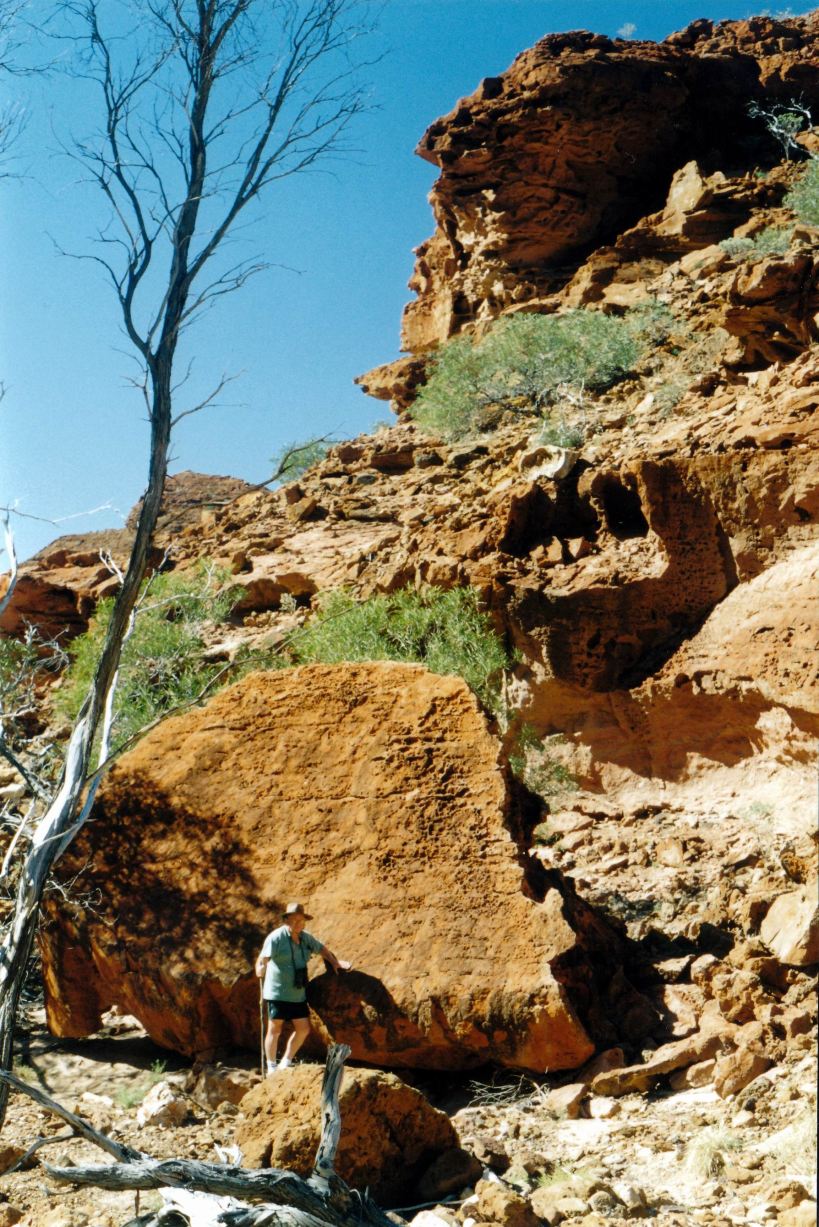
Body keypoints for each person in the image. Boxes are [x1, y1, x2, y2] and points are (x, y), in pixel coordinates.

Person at [255, 901, 351, 1075]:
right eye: (293, 920)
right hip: (277, 993)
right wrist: (260, 968)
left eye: (300, 920)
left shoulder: (306, 938)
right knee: (274, 1029)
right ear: (286, 921)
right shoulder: (276, 938)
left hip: (297, 993)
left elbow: (322, 949)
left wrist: (335, 962)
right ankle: (271, 1067)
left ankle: (286, 1061)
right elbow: (262, 959)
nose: (297, 924)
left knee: (303, 1028)